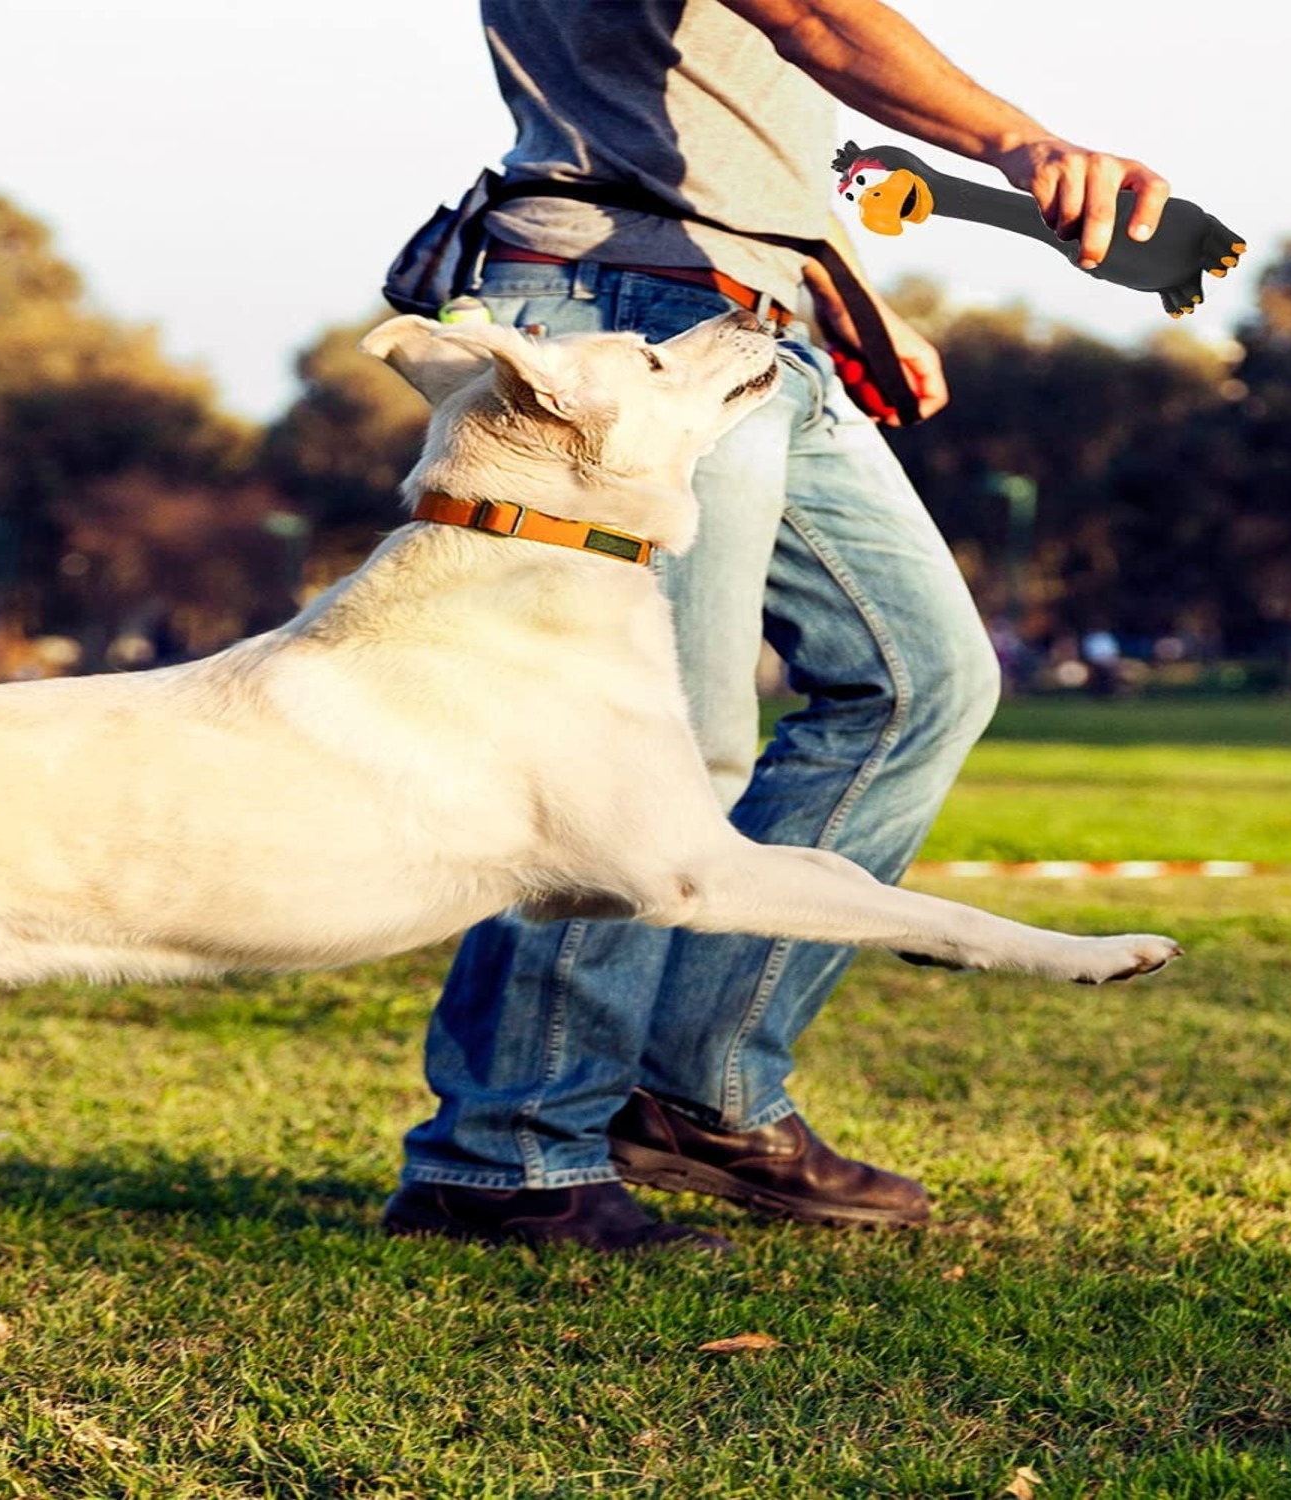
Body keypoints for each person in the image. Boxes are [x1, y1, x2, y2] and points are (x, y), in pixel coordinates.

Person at [382, 0, 1171, 1253]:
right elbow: (814, 18)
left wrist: (830, 281)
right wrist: (1021, 146)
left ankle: (696, 1094)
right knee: (650, 760)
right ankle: (508, 1152)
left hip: (746, 313)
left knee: (919, 679)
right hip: (623, 313)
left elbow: (725, 105)